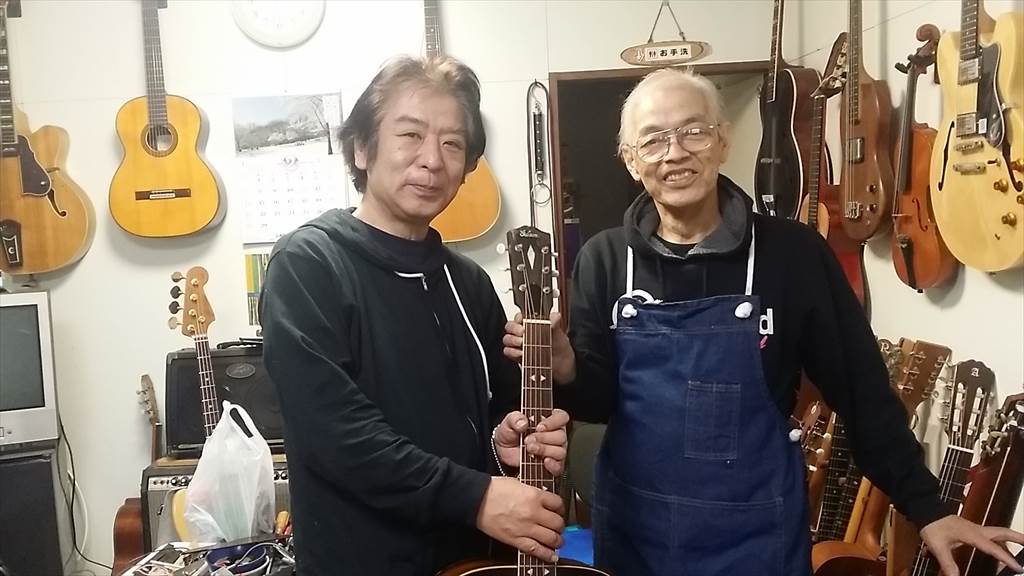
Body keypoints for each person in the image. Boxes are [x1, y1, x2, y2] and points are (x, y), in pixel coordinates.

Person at [503, 67, 1024, 576]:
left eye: (693, 131)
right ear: (631, 160)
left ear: (723, 141)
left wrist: (928, 508)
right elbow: (598, 402)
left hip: (755, 535)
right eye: (654, 139)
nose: (675, 152)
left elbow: (861, 390)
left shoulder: (792, 254)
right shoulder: (604, 258)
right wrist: (567, 365)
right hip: (637, 533)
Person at [259, 55, 569, 576]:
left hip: (471, 562)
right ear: (361, 148)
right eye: (410, 135)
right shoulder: (309, 264)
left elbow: (494, 415)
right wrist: (475, 497)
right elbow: (335, 435)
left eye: (453, 144)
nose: (432, 160)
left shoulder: (468, 283)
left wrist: (504, 444)